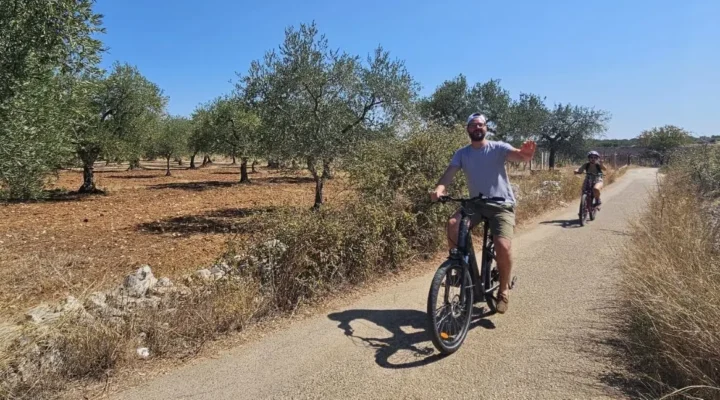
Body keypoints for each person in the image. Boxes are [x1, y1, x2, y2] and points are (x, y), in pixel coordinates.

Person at [430, 113, 536, 314]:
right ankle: (461, 268)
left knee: (502, 246)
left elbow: (518, 155)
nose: (477, 128)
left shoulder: (498, 148)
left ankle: (504, 290)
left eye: (481, 125)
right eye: (473, 125)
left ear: (486, 128)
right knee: (453, 223)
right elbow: (449, 174)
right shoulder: (462, 153)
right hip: (476, 204)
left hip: (501, 205)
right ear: (468, 129)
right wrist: (440, 189)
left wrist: (526, 154)